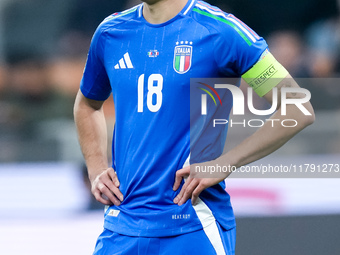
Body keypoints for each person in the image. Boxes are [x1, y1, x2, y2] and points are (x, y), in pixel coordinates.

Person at [73, 0, 315, 254]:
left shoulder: (221, 31)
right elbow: (87, 105)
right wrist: (96, 167)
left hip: (193, 225)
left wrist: (226, 163)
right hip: (121, 227)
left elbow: (297, 108)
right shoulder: (111, 32)